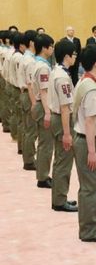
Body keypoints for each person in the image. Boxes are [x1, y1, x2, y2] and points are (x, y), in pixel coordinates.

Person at [73, 44, 96, 243]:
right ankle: (89, 230)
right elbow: (90, 121)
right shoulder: (92, 88)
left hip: (84, 140)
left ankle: (89, 226)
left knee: (87, 187)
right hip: (90, 141)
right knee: (92, 188)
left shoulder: (83, 81)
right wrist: (92, 151)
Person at [48, 40, 78, 212]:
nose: (75, 57)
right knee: (63, 161)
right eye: (73, 54)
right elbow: (65, 107)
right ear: (66, 56)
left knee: (60, 160)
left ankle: (60, 196)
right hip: (61, 120)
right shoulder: (63, 78)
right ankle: (59, 200)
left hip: (57, 118)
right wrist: (67, 133)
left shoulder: (57, 72)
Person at [32, 33, 55, 189]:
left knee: (44, 143)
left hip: (40, 103)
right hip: (44, 104)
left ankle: (43, 174)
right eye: (51, 46)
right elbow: (44, 91)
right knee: (46, 144)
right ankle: (43, 176)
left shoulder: (38, 64)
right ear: (45, 48)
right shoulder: (43, 67)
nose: (53, 49)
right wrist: (48, 112)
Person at [19, 30, 38, 171]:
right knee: (31, 130)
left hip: (24, 93)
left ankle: (28, 158)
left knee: (28, 129)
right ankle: (29, 160)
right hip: (29, 94)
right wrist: (34, 103)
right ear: (31, 42)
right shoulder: (30, 60)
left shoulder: (25, 57)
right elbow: (30, 84)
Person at [9, 32, 26, 154]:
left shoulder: (14, 55)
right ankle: (21, 146)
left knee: (19, 116)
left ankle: (21, 144)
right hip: (18, 89)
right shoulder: (19, 58)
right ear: (21, 45)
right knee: (22, 119)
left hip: (14, 86)